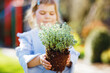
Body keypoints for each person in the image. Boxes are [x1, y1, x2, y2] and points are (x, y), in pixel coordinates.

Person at [15, 0, 80, 73]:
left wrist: (68, 60)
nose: (47, 16)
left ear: (56, 16)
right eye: (42, 13)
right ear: (33, 14)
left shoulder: (62, 36)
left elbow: (73, 55)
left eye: (51, 13)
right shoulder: (28, 37)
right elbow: (24, 58)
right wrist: (39, 60)